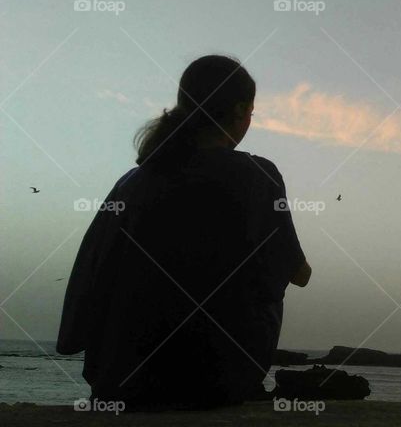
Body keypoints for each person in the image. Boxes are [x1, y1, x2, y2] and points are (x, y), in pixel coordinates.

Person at [57, 54, 311, 410]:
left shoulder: (132, 183)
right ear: (239, 110)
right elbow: (299, 273)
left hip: (119, 379)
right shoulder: (258, 175)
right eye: (251, 113)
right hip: (213, 381)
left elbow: (90, 271)